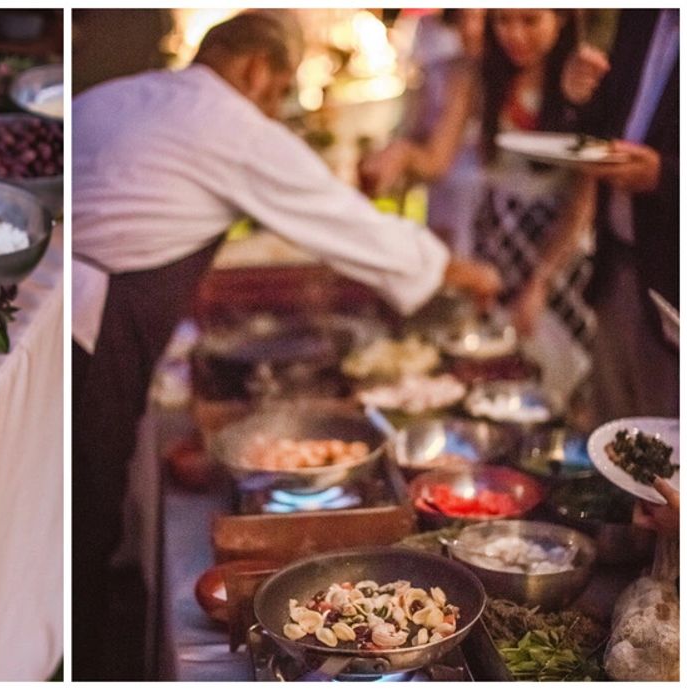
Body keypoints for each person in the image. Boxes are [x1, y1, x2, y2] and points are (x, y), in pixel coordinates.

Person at [71, 10, 500, 679]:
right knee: (85, 510)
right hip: (90, 337)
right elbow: (343, 219)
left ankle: (83, 636)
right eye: (279, 91)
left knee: (72, 504)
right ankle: (87, 658)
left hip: (56, 318)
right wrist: (460, 271)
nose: (275, 111)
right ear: (252, 68)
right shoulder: (228, 122)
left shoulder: (116, 93)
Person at [513, 8, 679, 421]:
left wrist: (666, 176)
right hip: (615, 266)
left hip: (675, 281)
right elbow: (608, 132)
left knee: (668, 448)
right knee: (615, 431)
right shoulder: (641, 17)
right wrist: (579, 97)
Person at [360, 9, 486, 254]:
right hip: (450, 211)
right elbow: (430, 154)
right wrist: (397, 155)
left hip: (491, 220)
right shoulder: (451, 72)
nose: (470, 29)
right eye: (463, 18)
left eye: (481, 18)